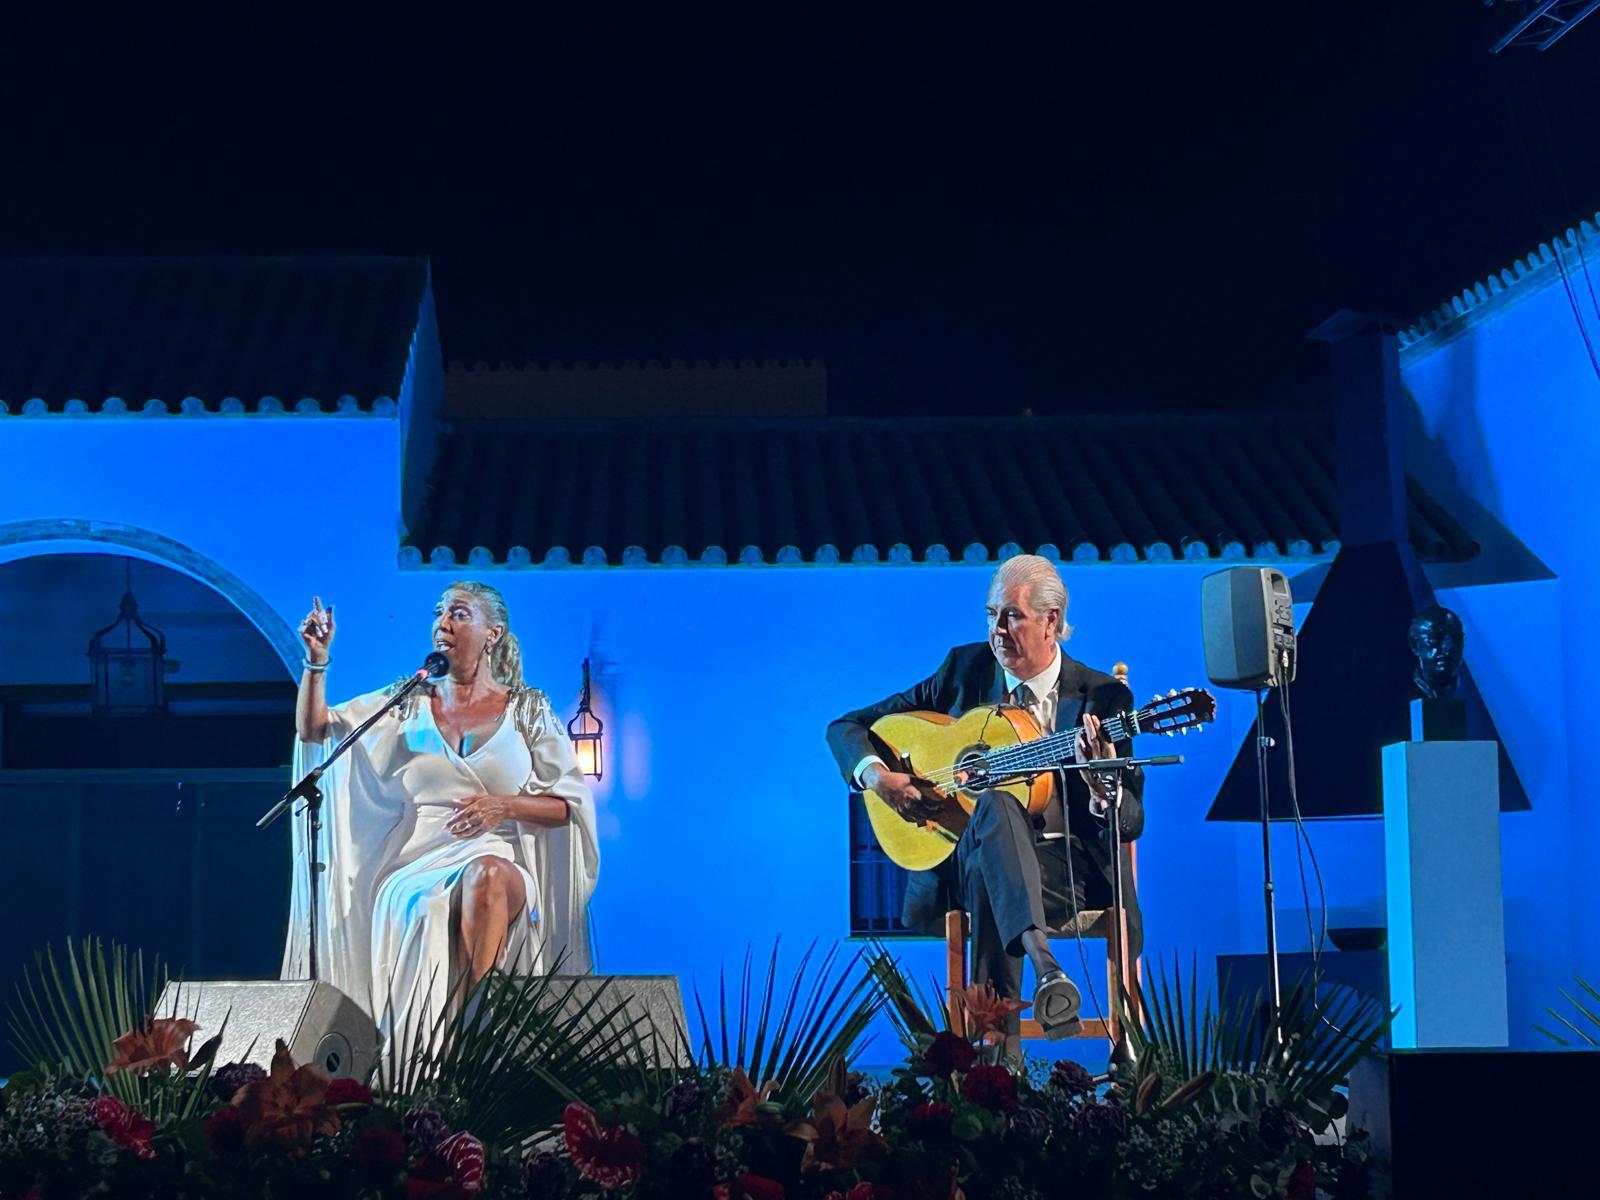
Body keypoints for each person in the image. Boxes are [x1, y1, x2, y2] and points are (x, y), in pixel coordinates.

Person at [826, 554, 1143, 1040]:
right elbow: (847, 728)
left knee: (995, 850)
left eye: (1012, 615)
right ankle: (1046, 969)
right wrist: (878, 779)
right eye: (992, 614)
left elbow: (1131, 821)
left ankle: (997, 1065)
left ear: (1051, 622)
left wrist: (1104, 791)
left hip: (1065, 873)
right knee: (994, 809)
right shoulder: (964, 670)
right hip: (964, 858)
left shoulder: (1103, 700)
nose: (997, 629)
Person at [281, 582, 600, 1048]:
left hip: (500, 854)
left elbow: (567, 805)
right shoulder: (406, 702)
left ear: (493, 633)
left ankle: (474, 1043)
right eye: (439, 613)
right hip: (416, 864)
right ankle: (422, 1062)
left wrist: (504, 805)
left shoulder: (528, 710)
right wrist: (316, 661)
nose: (443, 623)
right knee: (424, 907)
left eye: (459, 613)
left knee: (486, 874)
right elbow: (316, 728)